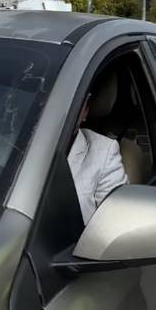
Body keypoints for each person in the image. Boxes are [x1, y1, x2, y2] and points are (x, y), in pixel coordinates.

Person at [68, 77, 128, 224]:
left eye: (77, 97)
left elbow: (116, 223)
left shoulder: (104, 152)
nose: (67, 105)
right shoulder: (9, 141)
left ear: (86, 111)